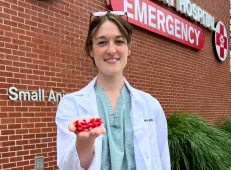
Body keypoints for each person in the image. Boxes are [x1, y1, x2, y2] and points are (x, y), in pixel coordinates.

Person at [56, 11, 171, 170]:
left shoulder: (151, 105)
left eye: (119, 41)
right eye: (102, 42)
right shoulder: (71, 104)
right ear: (91, 50)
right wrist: (84, 143)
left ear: (129, 48)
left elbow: (164, 161)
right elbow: (67, 166)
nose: (111, 50)